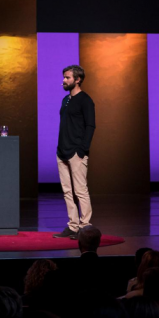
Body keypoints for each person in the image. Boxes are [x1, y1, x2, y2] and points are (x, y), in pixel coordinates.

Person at [54, 65, 97, 239]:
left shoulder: (85, 100)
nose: (64, 80)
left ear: (77, 80)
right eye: (64, 77)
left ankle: (85, 227)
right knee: (67, 191)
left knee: (80, 190)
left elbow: (90, 125)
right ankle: (73, 226)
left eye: (67, 78)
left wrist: (82, 149)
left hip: (76, 152)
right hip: (62, 151)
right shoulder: (66, 100)